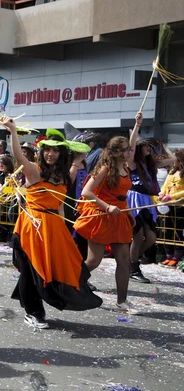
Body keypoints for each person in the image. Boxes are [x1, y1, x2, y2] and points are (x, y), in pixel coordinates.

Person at [6, 123, 102, 329]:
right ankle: (33, 312)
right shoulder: (35, 171)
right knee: (32, 271)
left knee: (48, 269)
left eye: (55, 150)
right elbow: (19, 157)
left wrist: (65, 232)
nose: (50, 154)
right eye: (47, 149)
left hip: (53, 228)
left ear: (61, 153)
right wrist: (13, 132)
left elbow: (59, 206)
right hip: (32, 227)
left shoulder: (63, 176)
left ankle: (32, 306)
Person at [74, 135, 137, 314]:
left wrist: (129, 213)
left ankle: (122, 301)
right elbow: (87, 192)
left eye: (129, 149)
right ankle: (71, 283)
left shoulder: (125, 167)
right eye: (125, 149)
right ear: (116, 152)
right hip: (102, 216)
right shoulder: (104, 168)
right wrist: (107, 206)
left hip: (120, 218)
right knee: (93, 261)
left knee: (124, 261)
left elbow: (123, 196)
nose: (129, 152)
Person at [126, 113, 159, 283]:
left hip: (147, 201)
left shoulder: (148, 165)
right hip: (134, 200)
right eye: (146, 146)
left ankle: (129, 261)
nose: (148, 149)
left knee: (151, 237)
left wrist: (162, 147)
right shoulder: (132, 162)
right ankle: (133, 267)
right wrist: (137, 126)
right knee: (138, 236)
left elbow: (173, 159)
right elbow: (130, 149)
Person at [157, 149, 184, 267]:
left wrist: (171, 196)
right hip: (167, 205)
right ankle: (169, 254)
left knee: (177, 231)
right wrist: (161, 194)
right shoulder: (172, 172)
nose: (173, 162)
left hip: (179, 205)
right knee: (166, 229)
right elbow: (164, 185)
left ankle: (177, 256)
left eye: (175, 159)